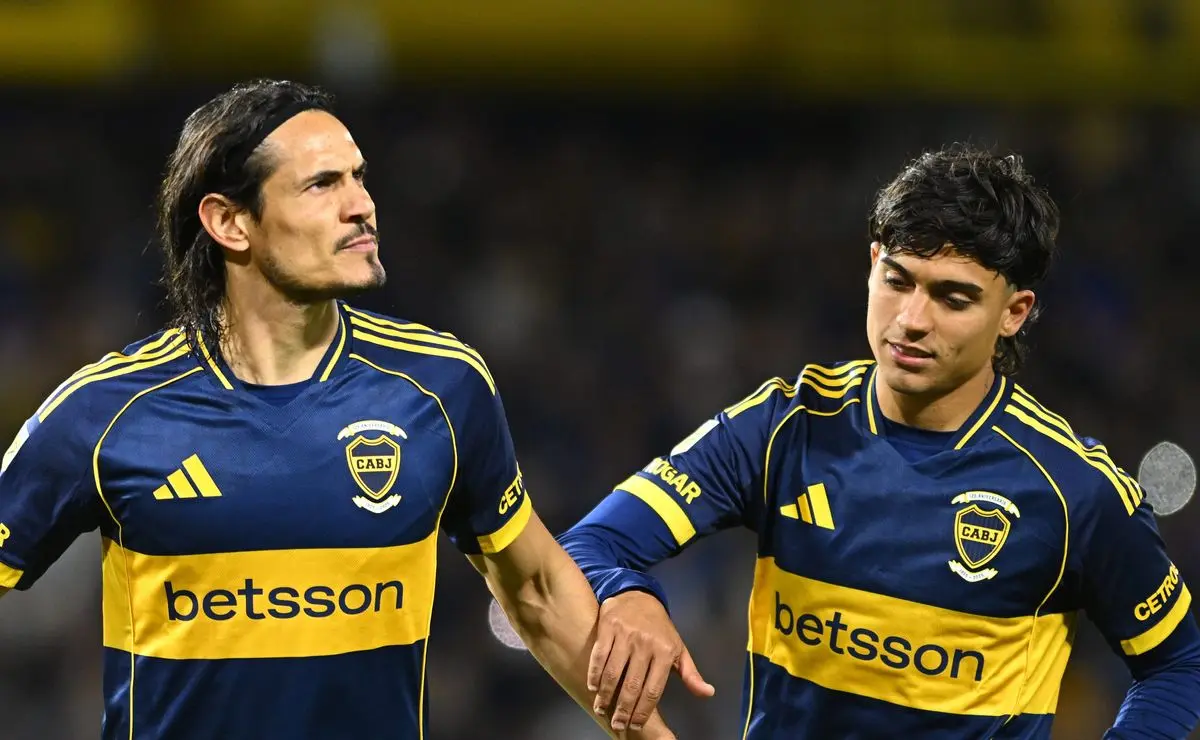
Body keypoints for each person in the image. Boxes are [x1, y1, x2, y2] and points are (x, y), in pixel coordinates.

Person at [0, 79, 692, 740]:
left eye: (359, 177)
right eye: (322, 184)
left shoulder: (440, 388)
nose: (361, 205)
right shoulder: (107, 413)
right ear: (230, 222)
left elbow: (537, 592)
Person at [559, 145, 1200, 738]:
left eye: (953, 299)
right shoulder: (782, 428)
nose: (912, 320)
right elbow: (588, 544)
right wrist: (626, 592)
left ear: (1014, 312)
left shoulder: (1073, 490)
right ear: (872, 266)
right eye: (898, 281)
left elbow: (1179, 665)